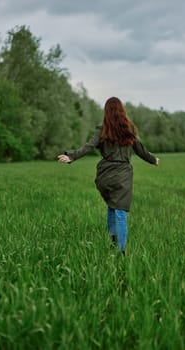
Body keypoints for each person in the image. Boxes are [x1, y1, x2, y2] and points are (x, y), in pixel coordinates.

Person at [58, 97, 159, 255]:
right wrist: (153, 160)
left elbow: (88, 146)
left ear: (106, 111)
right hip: (123, 175)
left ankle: (113, 244)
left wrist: (72, 156)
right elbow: (140, 150)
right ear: (122, 110)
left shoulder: (102, 129)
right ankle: (121, 251)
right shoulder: (129, 128)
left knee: (112, 207)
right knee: (120, 212)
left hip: (105, 175)